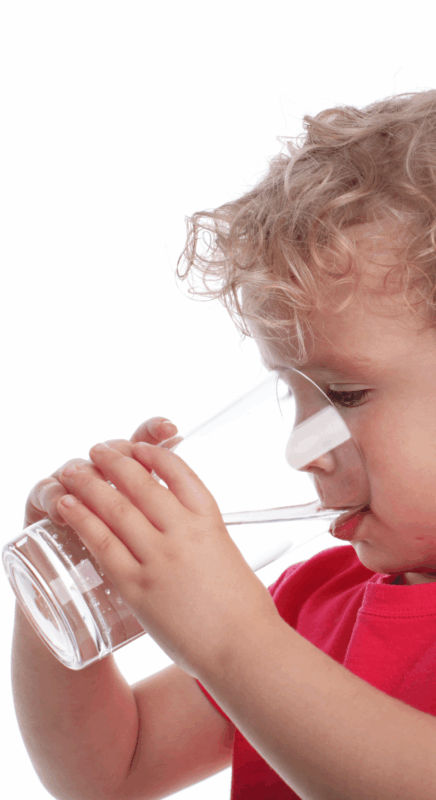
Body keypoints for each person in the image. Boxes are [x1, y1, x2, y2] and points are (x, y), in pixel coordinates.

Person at [12, 90, 436, 800]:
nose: (303, 450)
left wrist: (232, 642)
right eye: (292, 394)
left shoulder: (255, 642)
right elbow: (109, 772)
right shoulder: (311, 606)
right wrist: (67, 593)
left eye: (346, 394)